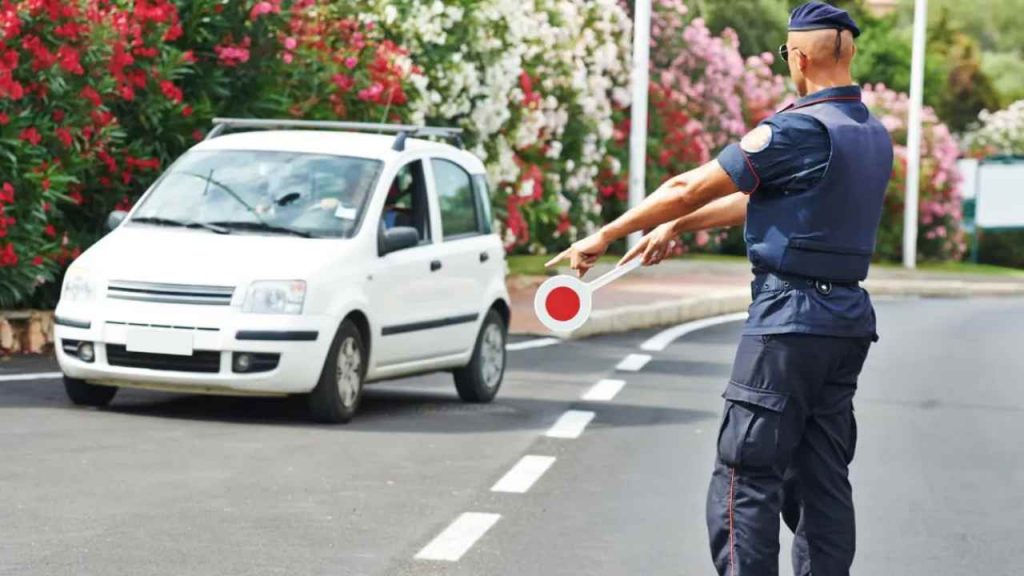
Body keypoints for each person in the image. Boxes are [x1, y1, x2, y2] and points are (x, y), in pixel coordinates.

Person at [544, 3, 893, 575]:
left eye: (786, 54)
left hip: (786, 320)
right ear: (848, 52)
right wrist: (678, 225)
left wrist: (605, 233)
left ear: (798, 57)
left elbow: (688, 184)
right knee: (822, 478)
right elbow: (764, 195)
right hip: (847, 320)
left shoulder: (797, 127)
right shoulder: (869, 134)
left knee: (746, 472)